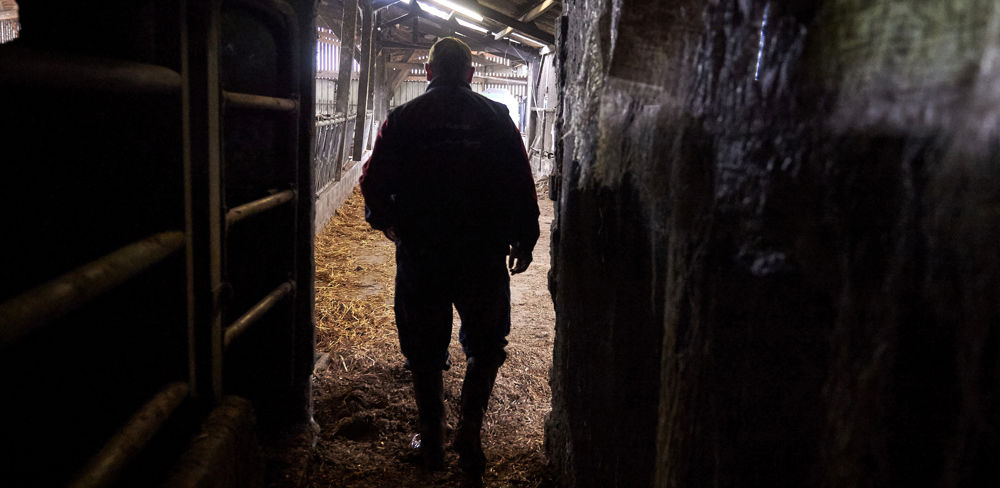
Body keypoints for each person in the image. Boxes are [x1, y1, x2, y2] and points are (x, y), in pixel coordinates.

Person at [359, 37, 540, 477]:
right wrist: (525, 236)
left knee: (423, 349)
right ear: (471, 75)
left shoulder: (402, 119)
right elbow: (521, 179)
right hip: (481, 254)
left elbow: (372, 179)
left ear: (428, 71)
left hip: (423, 253)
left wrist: (386, 221)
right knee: (486, 344)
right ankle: (470, 434)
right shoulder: (497, 118)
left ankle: (433, 439)